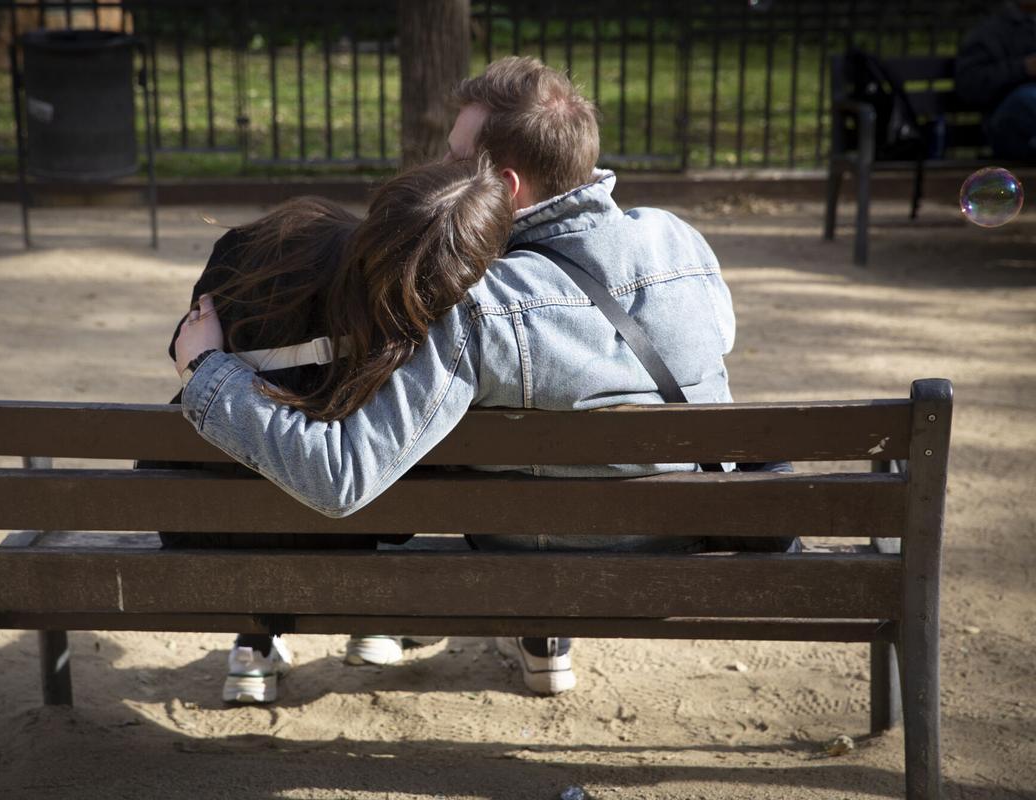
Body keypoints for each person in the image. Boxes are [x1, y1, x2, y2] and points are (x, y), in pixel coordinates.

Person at [174, 56, 738, 699]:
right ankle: (542, 641)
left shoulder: (477, 304)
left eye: (453, 158)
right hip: (682, 546)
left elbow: (343, 478)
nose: (441, 170)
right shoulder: (680, 241)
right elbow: (718, 341)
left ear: (504, 183)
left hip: (542, 558)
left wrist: (207, 371)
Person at [167, 157, 513, 703]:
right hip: (357, 536)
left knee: (249, 472)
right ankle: (372, 620)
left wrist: (210, 362)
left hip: (215, 523)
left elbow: (182, 348)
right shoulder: (443, 316)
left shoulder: (268, 242)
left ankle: (254, 644)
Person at [955, 1, 1036, 160]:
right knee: (1026, 98)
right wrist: (1024, 68)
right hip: (1008, 127)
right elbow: (969, 84)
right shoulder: (990, 32)